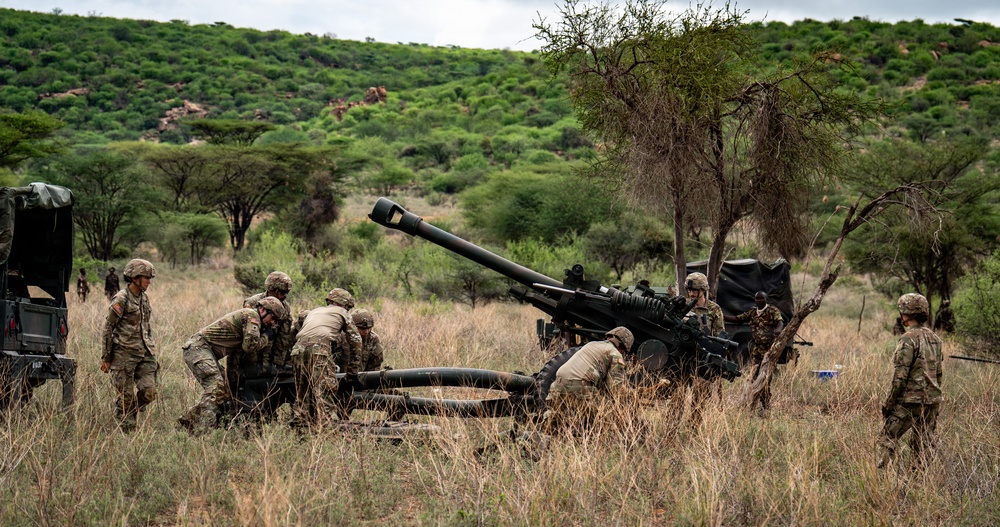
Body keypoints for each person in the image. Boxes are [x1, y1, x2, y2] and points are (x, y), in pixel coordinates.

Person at [178, 296, 286, 435]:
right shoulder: (252, 316)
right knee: (217, 387)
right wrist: (266, 336)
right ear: (263, 310)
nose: (272, 323)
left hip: (203, 350)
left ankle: (188, 422)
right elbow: (250, 346)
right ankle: (202, 432)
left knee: (225, 391)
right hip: (198, 349)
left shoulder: (252, 317)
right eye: (273, 318)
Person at [877, 293, 943, 469]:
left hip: (910, 401)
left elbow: (900, 375)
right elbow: (939, 374)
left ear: (907, 312)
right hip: (932, 400)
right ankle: (921, 479)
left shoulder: (908, 338)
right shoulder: (935, 339)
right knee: (923, 442)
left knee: (888, 438)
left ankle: (883, 477)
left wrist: (890, 402)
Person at [291, 288, 363, 430]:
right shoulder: (343, 313)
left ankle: (300, 429)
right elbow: (356, 341)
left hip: (298, 349)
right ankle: (327, 430)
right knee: (325, 391)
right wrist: (352, 372)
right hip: (319, 350)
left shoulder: (315, 311)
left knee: (303, 392)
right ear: (345, 304)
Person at [101, 259, 158, 431]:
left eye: (149, 278)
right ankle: (126, 431)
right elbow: (108, 328)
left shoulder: (144, 298)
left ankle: (129, 412)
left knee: (150, 392)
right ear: (134, 278)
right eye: (146, 277)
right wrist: (106, 358)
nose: (149, 281)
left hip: (145, 353)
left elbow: (146, 326)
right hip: (123, 354)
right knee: (125, 397)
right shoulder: (121, 299)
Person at [543, 326, 632, 435]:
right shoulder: (615, 354)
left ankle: (534, 437)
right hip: (581, 384)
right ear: (622, 347)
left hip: (559, 381)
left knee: (554, 419)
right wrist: (626, 405)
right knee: (606, 419)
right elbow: (615, 388)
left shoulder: (592, 344)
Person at [724, 291, 785, 412]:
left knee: (766, 379)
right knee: (754, 378)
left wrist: (778, 331)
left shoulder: (772, 311)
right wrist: (722, 316)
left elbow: (780, 322)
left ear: (766, 299)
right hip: (758, 351)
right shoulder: (753, 312)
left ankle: (765, 406)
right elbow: (738, 319)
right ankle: (752, 405)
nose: (759, 301)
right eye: (757, 299)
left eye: (761, 298)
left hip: (769, 351)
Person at [243, 271, 294, 369]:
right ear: (272, 290)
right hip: (254, 344)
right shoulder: (253, 303)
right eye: (283, 292)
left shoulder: (285, 308)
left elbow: (283, 337)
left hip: (270, 348)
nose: (285, 296)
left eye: (287, 293)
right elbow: (249, 335)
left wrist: (277, 363)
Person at [684, 272, 724, 337]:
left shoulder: (714, 309)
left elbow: (720, 335)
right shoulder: (683, 305)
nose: (691, 294)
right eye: (689, 290)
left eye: (695, 290)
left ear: (703, 289)